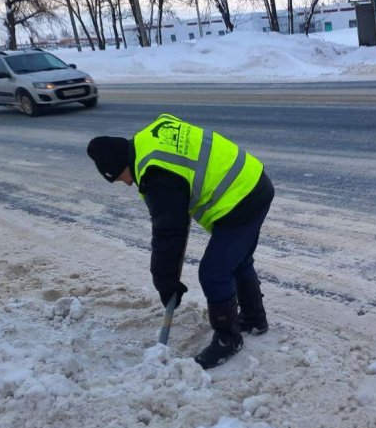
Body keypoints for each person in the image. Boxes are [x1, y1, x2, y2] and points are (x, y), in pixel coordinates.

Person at [86, 113, 274, 369]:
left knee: (213, 273)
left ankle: (228, 339)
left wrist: (165, 282)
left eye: (122, 178)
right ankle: (254, 319)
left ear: (122, 165)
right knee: (237, 261)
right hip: (253, 180)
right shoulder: (150, 138)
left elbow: (169, 233)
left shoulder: (155, 173)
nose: (128, 184)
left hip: (240, 200)